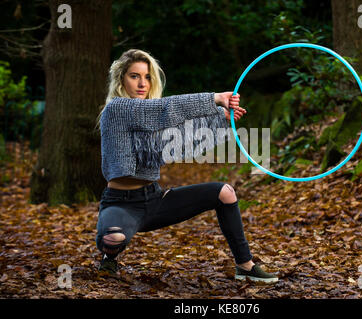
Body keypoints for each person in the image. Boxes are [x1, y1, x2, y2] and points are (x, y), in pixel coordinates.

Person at [94, 48, 278, 283]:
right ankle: (109, 259)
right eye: (134, 76)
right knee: (113, 239)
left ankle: (245, 265)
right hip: (121, 204)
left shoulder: (149, 118)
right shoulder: (117, 109)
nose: (142, 83)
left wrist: (220, 117)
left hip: (154, 200)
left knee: (225, 193)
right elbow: (165, 110)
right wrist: (214, 98)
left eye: (147, 77)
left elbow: (181, 137)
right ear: (121, 79)